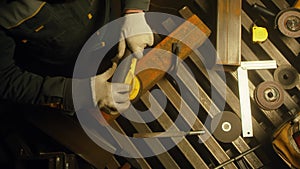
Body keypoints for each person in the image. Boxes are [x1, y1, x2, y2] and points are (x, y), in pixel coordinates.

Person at [0, 0, 154, 115]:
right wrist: (79, 93)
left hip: (115, 32)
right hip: (72, 78)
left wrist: (134, 11)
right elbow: (5, 78)